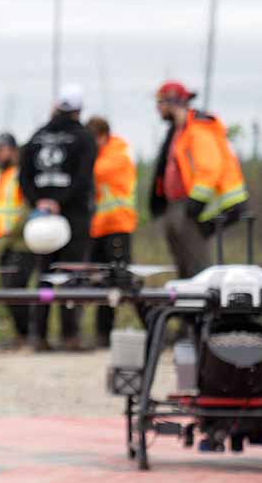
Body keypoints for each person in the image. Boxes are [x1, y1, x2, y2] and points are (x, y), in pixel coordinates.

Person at [18, 84, 98, 350]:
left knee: (44, 274)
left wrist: (39, 201)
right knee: (72, 275)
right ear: (78, 110)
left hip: (41, 218)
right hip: (72, 215)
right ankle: (70, 336)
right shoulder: (84, 138)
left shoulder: (37, 136)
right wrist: (60, 202)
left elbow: (23, 176)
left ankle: (38, 336)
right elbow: (84, 178)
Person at [149, 80, 248, 278]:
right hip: (177, 205)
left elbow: (209, 168)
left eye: (160, 102)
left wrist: (195, 204)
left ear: (172, 102)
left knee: (197, 270)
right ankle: (188, 308)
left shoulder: (198, 130)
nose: (157, 108)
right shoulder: (179, 132)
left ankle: (204, 308)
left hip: (193, 206)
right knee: (184, 268)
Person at [85, 117, 137, 348]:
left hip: (117, 226)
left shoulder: (118, 153)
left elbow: (96, 173)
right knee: (100, 282)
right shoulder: (99, 154)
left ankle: (151, 322)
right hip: (99, 228)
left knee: (123, 282)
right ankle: (101, 335)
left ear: (103, 136)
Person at [0, 132, 34, 349]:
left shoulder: (20, 175)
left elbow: (25, 207)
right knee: (8, 292)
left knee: (17, 289)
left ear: (13, 151)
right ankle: (21, 335)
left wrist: (13, 231)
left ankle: (28, 335)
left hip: (22, 242)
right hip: (3, 243)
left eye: (1, 149)